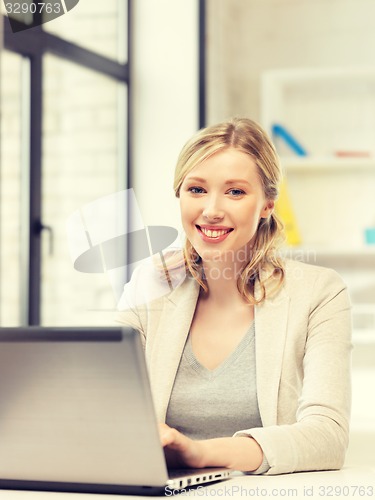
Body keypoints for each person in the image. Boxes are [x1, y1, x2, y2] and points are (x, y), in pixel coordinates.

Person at [116, 117, 352, 475]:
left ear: (267, 204)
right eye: (196, 189)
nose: (211, 209)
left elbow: (328, 438)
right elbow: (103, 405)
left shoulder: (319, 292)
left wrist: (198, 453)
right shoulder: (151, 284)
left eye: (235, 192)